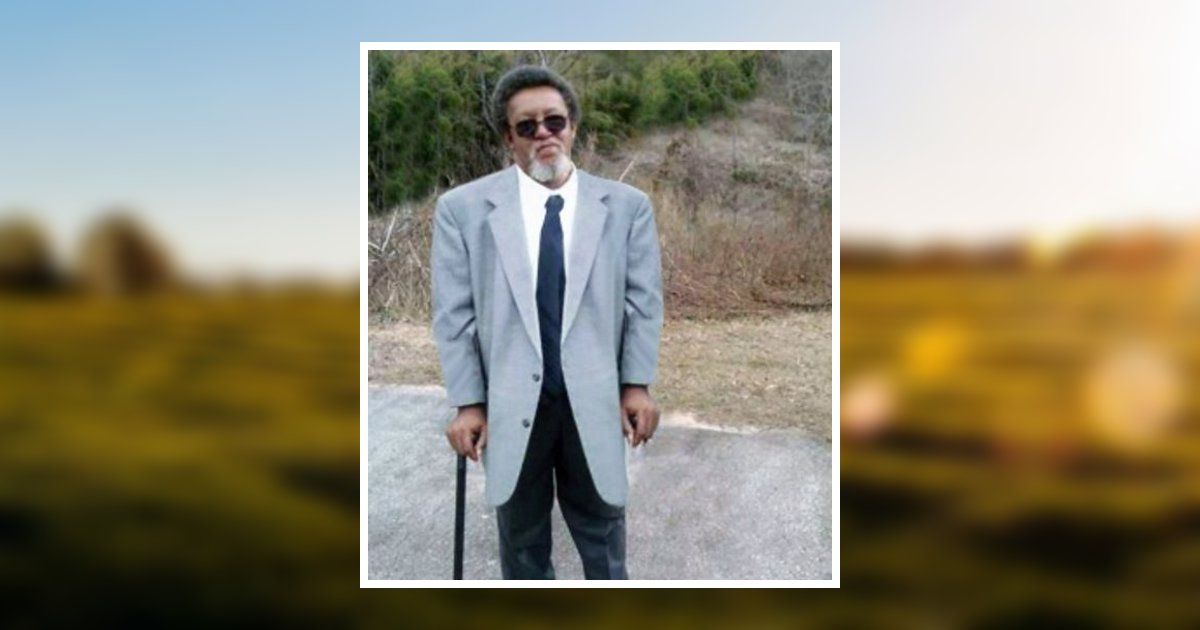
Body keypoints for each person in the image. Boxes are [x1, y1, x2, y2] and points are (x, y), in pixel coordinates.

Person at [431, 64, 663, 580]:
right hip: (511, 404)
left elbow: (643, 303)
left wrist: (636, 384)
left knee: (604, 544)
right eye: (527, 125)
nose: (544, 134)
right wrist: (468, 401)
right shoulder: (462, 210)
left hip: (595, 402)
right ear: (507, 137)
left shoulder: (628, 208)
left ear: (572, 126)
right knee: (522, 548)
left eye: (554, 121)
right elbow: (454, 316)